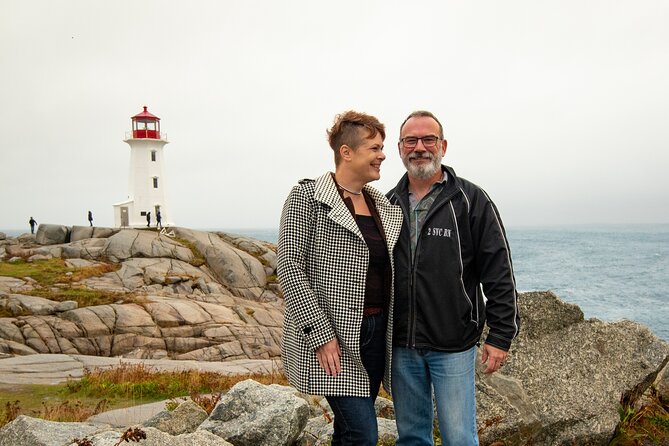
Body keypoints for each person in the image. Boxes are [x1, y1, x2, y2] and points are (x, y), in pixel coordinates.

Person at [387, 110, 520, 446]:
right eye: (411, 141)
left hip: (454, 344)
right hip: (402, 345)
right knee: (412, 438)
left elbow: (498, 270)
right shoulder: (387, 203)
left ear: (443, 146)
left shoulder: (471, 200)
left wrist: (501, 335)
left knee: (459, 438)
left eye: (428, 139)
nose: (420, 147)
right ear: (400, 148)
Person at [277, 111, 403, 446]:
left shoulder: (383, 206)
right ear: (346, 152)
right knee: (362, 433)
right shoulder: (307, 198)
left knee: (348, 432)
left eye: (382, 147)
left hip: (377, 335)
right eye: (374, 148)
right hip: (334, 336)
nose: (383, 155)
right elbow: (289, 267)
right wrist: (320, 335)